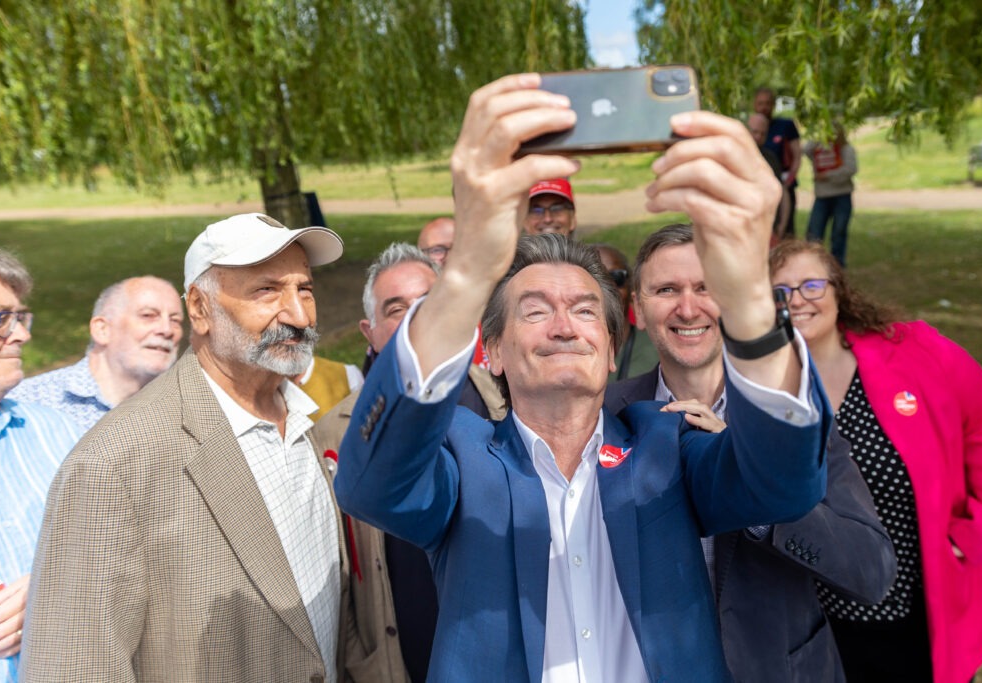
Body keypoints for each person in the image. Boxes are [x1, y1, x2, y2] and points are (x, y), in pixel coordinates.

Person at [335, 73, 832, 681]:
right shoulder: (463, 457)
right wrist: (466, 270)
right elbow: (371, 486)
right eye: (536, 310)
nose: (565, 326)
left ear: (612, 346)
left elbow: (786, 484)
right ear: (490, 351)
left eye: (586, 310)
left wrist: (751, 296)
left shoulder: (665, 444)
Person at [23, 213, 357, 683]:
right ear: (199, 309)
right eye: (266, 290)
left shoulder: (309, 418)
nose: (300, 315)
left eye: (304, 289)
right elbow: (75, 666)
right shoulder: (112, 464)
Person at [605, 224, 896, 682]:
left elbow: (872, 571)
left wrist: (754, 481)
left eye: (706, 288)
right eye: (666, 289)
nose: (688, 307)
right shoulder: (603, 414)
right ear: (637, 309)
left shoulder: (789, 417)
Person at [769, 239, 982, 683]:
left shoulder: (915, 351)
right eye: (781, 291)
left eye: (812, 285)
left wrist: (978, 534)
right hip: (817, 628)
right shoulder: (759, 385)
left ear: (838, 289)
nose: (797, 300)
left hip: (917, 611)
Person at [316, 242, 503, 683]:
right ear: (370, 331)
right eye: (397, 309)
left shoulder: (507, 397)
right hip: (405, 656)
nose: (416, 318)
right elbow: (336, 574)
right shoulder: (333, 434)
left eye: (428, 302)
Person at [0, 242, 83, 683]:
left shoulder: (61, 435)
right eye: (1, 319)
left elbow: (137, 551)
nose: (21, 334)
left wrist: (54, 587)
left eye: (20, 317)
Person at [8, 276, 183, 429]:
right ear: (102, 330)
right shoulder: (26, 403)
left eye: (175, 321)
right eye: (148, 315)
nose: (167, 330)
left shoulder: (187, 413)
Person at [591, 244, 658, 381]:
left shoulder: (658, 349)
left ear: (631, 284)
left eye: (616, 277)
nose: (608, 289)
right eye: (595, 279)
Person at [804, 125, 858, 267]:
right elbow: (805, 149)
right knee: (814, 233)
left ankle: (837, 266)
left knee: (839, 233)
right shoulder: (817, 149)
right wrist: (818, 137)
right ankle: (812, 264)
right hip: (822, 196)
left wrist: (827, 176)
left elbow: (850, 169)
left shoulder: (846, 149)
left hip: (842, 195)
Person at [754, 87, 801, 237]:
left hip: (782, 182)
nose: (764, 107)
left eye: (768, 103)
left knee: (785, 231)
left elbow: (797, 155)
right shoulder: (751, 125)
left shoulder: (785, 125)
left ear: (773, 105)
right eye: (760, 103)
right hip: (758, 188)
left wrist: (788, 181)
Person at [747, 112, 792, 241]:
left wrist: (782, 225)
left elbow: (783, 192)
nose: (758, 137)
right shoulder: (731, 156)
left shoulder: (771, 158)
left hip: (768, 230)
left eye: (763, 133)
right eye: (755, 132)